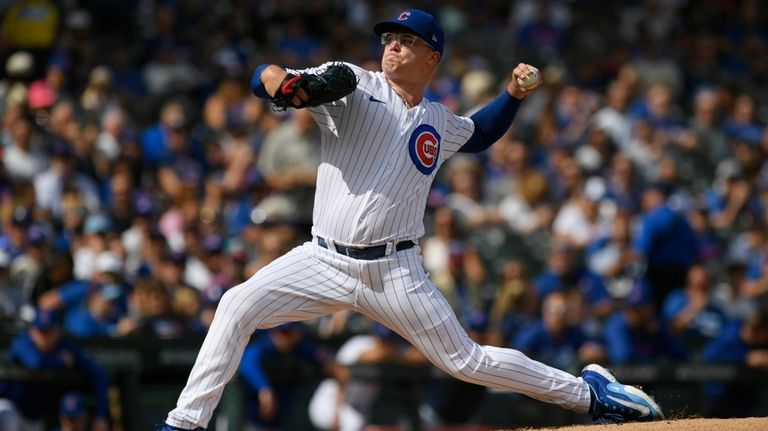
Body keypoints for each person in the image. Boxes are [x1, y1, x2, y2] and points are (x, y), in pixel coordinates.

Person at [159, 9, 663, 430]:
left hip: (395, 271)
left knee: (467, 362)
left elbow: (480, 134)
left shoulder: (438, 121)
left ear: (432, 57)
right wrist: (277, 80)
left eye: (406, 41)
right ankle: (185, 423)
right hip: (322, 258)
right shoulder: (355, 84)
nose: (393, 47)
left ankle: (590, 394)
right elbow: (273, 78)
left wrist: (512, 95)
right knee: (236, 303)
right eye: (389, 39)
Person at [0, 309, 110, 431]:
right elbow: (37, 362)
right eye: (40, 330)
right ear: (32, 330)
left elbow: (99, 376)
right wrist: (61, 361)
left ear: (58, 331)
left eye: (48, 331)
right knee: (6, 417)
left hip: (36, 417)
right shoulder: (22, 342)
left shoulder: (65, 347)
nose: (43, 336)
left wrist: (100, 415)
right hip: (11, 407)